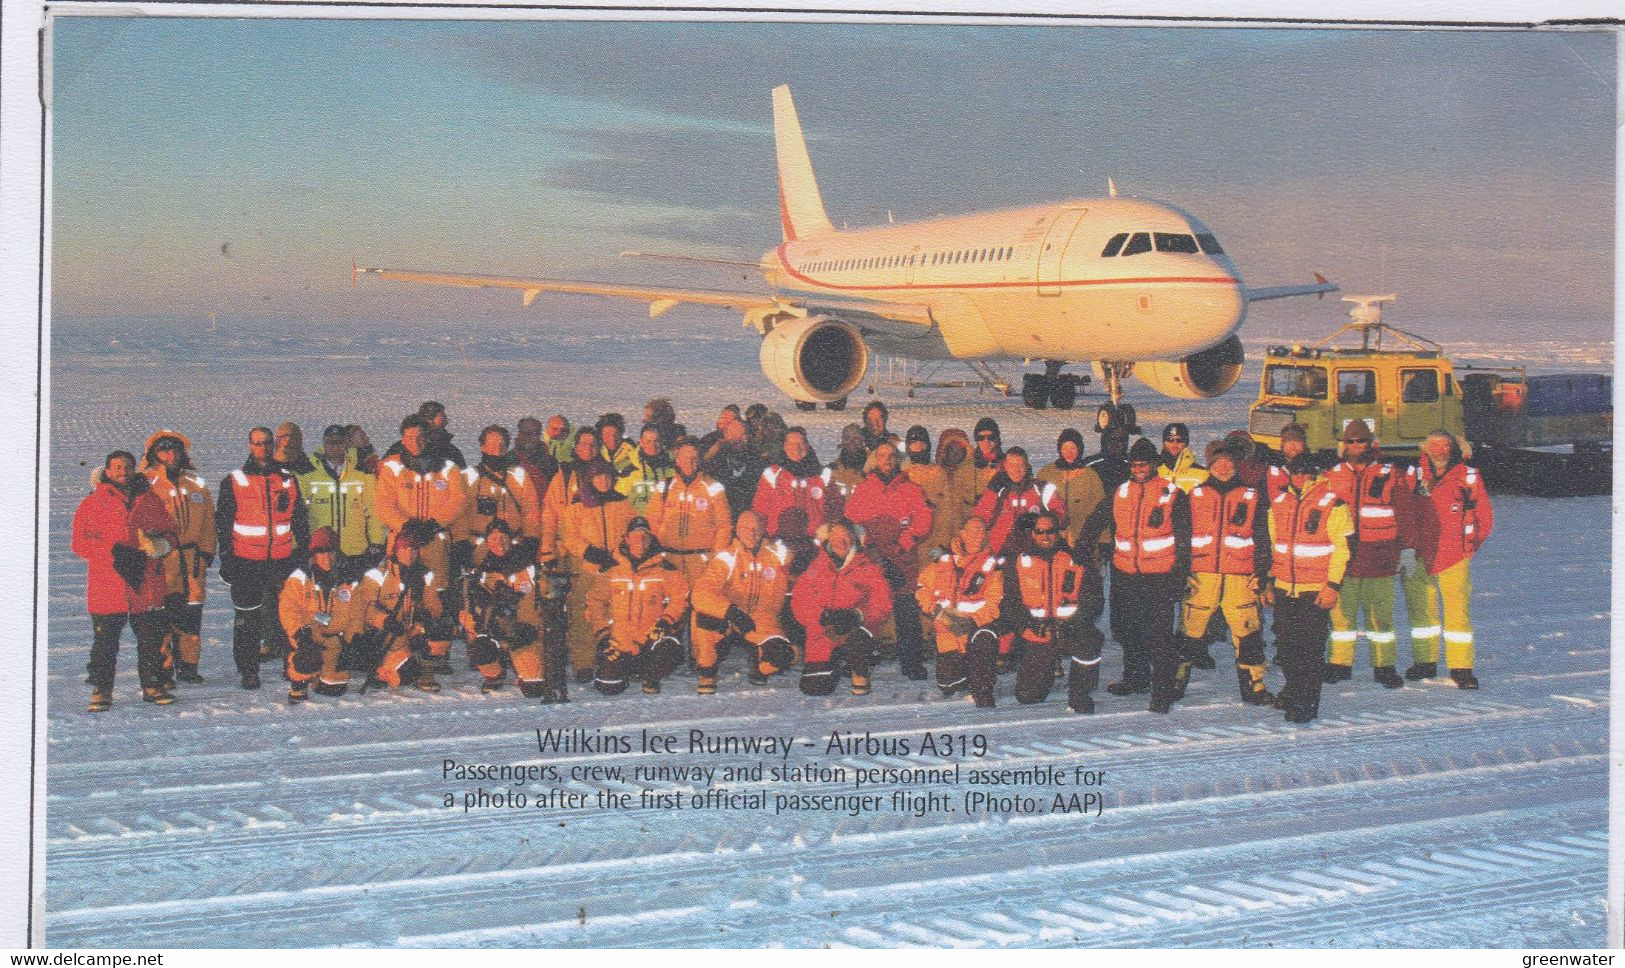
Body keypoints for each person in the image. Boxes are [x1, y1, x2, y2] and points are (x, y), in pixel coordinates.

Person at [1081, 438, 1190, 712]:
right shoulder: (1121, 492)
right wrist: (1082, 544)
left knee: (1159, 636)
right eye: (1135, 464)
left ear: (1154, 465)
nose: (1139, 468)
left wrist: (1179, 577)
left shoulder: (1172, 493)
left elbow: (1184, 539)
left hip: (1159, 577)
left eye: (1145, 464)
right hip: (1125, 574)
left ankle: (1162, 690)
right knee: (1128, 631)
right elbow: (1098, 518)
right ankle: (1135, 678)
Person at [74, 451, 181, 710]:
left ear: (134, 469)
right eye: (117, 467)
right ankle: (102, 690)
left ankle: (152, 685)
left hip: (145, 582)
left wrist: (161, 545)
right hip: (109, 583)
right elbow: (79, 543)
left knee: (150, 639)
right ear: (107, 472)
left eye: (127, 466)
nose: (122, 471)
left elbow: (171, 532)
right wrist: (113, 552)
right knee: (105, 642)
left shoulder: (151, 500)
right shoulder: (92, 502)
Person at [1176, 438, 1274, 706]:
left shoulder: (1251, 496)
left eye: (1228, 463)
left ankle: (1254, 685)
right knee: (1189, 629)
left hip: (1240, 577)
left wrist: (1263, 572)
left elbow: (1263, 538)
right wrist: (1181, 572)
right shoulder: (1194, 495)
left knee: (1248, 631)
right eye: (1218, 463)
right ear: (1210, 466)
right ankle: (1176, 680)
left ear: (1236, 466)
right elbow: (1183, 538)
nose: (1222, 467)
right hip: (1202, 576)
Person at [1322, 419, 1415, 689]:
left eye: (1360, 440)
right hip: (1345, 557)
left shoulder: (1390, 474)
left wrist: (1408, 548)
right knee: (1342, 616)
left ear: (1371, 443)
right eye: (1350, 441)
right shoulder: (1332, 474)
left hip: (1381, 556)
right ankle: (1339, 664)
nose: (1355, 445)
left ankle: (1384, 666)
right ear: (1344, 445)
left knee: (1381, 617)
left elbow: (1405, 512)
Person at [374, 414, 468, 675]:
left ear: (428, 438)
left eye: (419, 437)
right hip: (404, 540)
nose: (414, 442)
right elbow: (384, 503)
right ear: (402, 438)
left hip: (435, 539)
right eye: (409, 437)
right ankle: (401, 649)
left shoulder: (447, 467)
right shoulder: (392, 466)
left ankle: (436, 653)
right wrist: (406, 525)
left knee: (436, 595)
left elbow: (458, 500)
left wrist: (435, 523)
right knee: (402, 593)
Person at [216, 426, 309, 690]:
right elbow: (223, 522)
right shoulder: (235, 480)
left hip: (281, 560)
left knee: (287, 616)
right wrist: (227, 558)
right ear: (250, 446)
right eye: (257, 443)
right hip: (247, 561)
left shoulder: (288, 479)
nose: (262, 448)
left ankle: (291, 666)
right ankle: (248, 670)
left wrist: (301, 555)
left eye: (267, 443)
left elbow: (299, 520)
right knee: (248, 619)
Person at [1266, 454, 1354, 722]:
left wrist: (1332, 586)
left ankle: (1305, 705)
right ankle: (1293, 691)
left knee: (1309, 651)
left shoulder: (1333, 503)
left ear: (1314, 474)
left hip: (1315, 590)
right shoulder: (1279, 503)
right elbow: (1273, 547)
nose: (1300, 478)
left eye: (1306, 473)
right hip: (1284, 588)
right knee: (1286, 648)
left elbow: (1343, 551)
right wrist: (1270, 582)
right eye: (1295, 472)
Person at [1402, 430, 1493, 689]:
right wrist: (1404, 548)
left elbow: (1483, 515)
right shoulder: (1414, 474)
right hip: (1419, 554)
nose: (1440, 450)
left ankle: (1461, 668)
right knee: (1421, 611)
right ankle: (1424, 662)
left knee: (1457, 614)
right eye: (1434, 446)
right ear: (1425, 449)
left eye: (1444, 446)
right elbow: (1403, 510)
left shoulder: (1468, 475)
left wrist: (1469, 547)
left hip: (1453, 555)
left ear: (1453, 448)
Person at [843, 441, 934, 679]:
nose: (887, 460)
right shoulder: (864, 488)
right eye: (882, 455)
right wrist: (868, 544)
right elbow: (852, 518)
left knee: (906, 609)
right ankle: (862, 655)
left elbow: (923, 520)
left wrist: (906, 539)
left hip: (903, 557)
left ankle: (911, 661)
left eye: (892, 456)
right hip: (873, 558)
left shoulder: (912, 489)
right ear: (875, 459)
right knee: (869, 606)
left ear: (898, 460)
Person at [1003, 511, 1104, 711]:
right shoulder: (1020, 562)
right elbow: (1011, 603)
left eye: (1050, 531)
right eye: (1039, 531)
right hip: (1038, 632)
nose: (1045, 536)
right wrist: (1027, 628)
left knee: (1091, 640)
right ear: (1032, 533)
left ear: (1059, 532)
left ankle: (1080, 695)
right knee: (1027, 696)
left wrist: (1073, 622)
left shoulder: (1077, 559)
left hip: (1070, 629)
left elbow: (1094, 600)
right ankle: (1047, 669)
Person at [140, 430, 216, 686]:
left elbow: (209, 522)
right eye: (163, 449)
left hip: (193, 561)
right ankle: (164, 669)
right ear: (153, 454)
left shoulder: (196, 485)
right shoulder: (144, 484)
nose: (170, 454)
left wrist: (207, 552)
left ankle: (189, 666)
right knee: (162, 617)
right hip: (162, 560)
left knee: (191, 615)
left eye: (175, 449)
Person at [691, 510, 796, 692]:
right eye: (745, 528)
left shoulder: (778, 555)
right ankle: (707, 671)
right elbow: (700, 593)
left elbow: (807, 571)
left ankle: (759, 663)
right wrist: (730, 611)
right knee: (703, 618)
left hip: (762, 619)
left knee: (782, 656)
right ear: (737, 531)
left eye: (756, 528)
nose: (751, 533)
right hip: (731, 617)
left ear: (764, 530)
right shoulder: (727, 557)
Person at [461, 520, 563, 700]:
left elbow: (546, 602)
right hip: (497, 629)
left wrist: (531, 624)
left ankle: (530, 664)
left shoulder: (528, 566)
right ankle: (495, 674)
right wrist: (474, 625)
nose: (498, 543)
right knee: (479, 647)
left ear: (511, 539)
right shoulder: (482, 571)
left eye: (503, 537)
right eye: (492, 538)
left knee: (534, 689)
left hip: (524, 632)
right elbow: (468, 608)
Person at [586, 517, 689, 695]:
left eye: (645, 536)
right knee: (607, 686)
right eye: (635, 536)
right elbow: (595, 602)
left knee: (669, 650)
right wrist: (603, 636)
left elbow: (681, 596)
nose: (640, 541)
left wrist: (666, 621)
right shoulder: (611, 568)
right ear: (626, 538)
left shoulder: (663, 568)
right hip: (620, 642)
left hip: (651, 638)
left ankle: (650, 676)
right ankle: (627, 671)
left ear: (651, 539)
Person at [790, 520, 891, 696]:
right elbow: (799, 600)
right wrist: (820, 617)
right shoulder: (815, 566)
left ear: (854, 539)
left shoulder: (869, 566)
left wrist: (857, 615)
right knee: (814, 688)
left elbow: (883, 603)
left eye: (846, 536)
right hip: (823, 632)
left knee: (857, 642)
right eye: (836, 537)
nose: (842, 542)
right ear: (828, 539)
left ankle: (859, 668)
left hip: (856, 628)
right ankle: (837, 662)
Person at [563, 458, 638, 680]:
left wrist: (618, 554)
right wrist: (589, 552)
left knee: (616, 613)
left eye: (607, 476)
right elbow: (569, 535)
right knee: (582, 614)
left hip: (615, 567)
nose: (604, 481)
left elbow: (632, 531)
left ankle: (614, 656)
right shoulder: (577, 505)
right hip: (587, 566)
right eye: (598, 477)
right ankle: (584, 662)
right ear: (590, 480)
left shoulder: (623, 503)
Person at [916, 517, 1004, 703]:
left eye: (981, 530)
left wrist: (974, 621)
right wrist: (933, 608)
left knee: (983, 646)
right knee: (949, 686)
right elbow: (922, 588)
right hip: (946, 633)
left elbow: (994, 602)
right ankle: (965, 671)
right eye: (972, 530)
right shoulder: (943, 559)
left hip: (974, 630)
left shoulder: (993, 565)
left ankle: (979, 677)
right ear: (961, 534)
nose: (976, 535)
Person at [349, 529, 443, 692]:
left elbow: (434, 606)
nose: (410, 553)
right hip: (385, 635)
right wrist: (384, 621)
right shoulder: (378, 574)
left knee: (440, 634)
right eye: (405, 548)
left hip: (410, 630)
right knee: (405, 674)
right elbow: (363, 607)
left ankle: (425, 674)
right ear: (396, 550)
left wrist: (425, 619)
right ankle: (382, 670)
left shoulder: (425, 575)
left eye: (414, 549)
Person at [279, 526, 362, 703]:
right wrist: (298, 632)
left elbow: (357, 612)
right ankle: (298, 681)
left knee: (334, 689)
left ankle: (320, 676)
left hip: (334, 638)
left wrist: (351, 639)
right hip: (307, 636)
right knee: (306, 658)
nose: (327, 558)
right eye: (321, 552)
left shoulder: (348, 578)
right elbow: (288, 608)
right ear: (314, 554)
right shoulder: (300, 577)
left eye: (330, 552)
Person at [299, 424, 387, 571]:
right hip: (322, 553)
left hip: (355, 552)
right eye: (330, 442)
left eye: (339, 442)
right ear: (323, 444)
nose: (334, 446)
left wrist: (376, 544)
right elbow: (300, 515)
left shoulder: (361, 471)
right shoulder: (309, 473)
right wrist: (305, 547)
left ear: (346, 443)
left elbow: (374, 511)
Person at [457, 425, 543, 557]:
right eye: (491, 444)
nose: (497, 448)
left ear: (507, 447)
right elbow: (459, 514)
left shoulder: (519, 476)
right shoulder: (468, 477)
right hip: (478, 547)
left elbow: (531, 511)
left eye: (501, 444)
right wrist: (461, 541)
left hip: (513, 547)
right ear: (482, 446)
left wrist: (531, 538)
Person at [973, 447, 1063, 557]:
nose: (1016, 470)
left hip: (1035, 554)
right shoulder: (997, 490)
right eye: (1012, 465)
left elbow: (1062, 518)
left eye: (1020, 465)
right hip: (1001, 553)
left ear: (1027, 466)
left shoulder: (1042, 489)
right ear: (1005, 466)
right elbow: (980, 519)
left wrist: (1039, 521)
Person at [753, 427, 833, 540]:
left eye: (800, 443)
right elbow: (760, 510)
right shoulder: (772, 474)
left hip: (815, 540)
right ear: (785, 446)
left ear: (807, 446)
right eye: (791, 444)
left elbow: (834, 510)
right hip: (779, 539)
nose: (796, 448)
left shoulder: (823, 475)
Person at [540, 429, 603, 564]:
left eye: (593, 444)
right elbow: (549, 515)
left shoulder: (607, 476)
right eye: (583, 444)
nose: (588, 448)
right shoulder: (564, 476)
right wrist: (547, 550)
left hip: (597, 552)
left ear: (599, 448)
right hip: (565, 552)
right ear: (576, 447)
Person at [919, 428, 980, 565]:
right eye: (951, 449)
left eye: (960, 449)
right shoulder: (930, 474)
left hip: (963, 545)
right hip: (933, 544)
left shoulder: (972, 476)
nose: (955, 453)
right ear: (943, 451)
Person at [702, 418, 766, 517]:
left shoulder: (757, 462)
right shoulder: (714, 463)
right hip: (719, 518)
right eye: (733, 434)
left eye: (742, 434)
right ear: (725, 435)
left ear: (748, 437)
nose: (738, 439)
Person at [626, 424, 675, 515]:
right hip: (638, 523)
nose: (653, 445)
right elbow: (620, 500)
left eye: (656, 441)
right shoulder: (629, 466)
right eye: (648, 441)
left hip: (665, 522)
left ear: (662, 442)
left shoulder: (673, 466)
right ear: (641, 442)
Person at [514, 416, 560, 508]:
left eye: (536, 433)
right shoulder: (507, 461)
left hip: (546, 515)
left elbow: (557, 494)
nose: (531, 437)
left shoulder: (551, 463)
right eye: (527, 433)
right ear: (519, 434)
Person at [597, 413, 645, 501]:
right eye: (607, 434)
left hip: (624, 498)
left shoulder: (632, 451)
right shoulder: (596, 451)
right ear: (601, 435)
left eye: (615, 434)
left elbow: (639, 475)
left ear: (621, 433)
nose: (612, 438)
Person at [826, 423, 869, 513]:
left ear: (862, 441)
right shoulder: (831, 470)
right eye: (848, 438)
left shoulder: (873, 467)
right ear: (842, 442)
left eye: (856, 438)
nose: (852, 442)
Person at [1157, 422, 1208, 493]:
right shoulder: (1154, 470)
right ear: (1163, 442)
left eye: (1179, 440)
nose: (1174, 444)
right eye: (1170, 439)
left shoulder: (1203, 473)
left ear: (1186, 443)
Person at [1266, 424, 1310, 500]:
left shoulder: (1313, 468)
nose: (1293, 446)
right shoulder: (1270, 465)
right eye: (1288, 442)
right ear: (1282, 445)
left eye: (1297, 442)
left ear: (1304, 445)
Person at [971, 417, 1004, 491]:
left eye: (991, 437)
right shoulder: (968, 465)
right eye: (981, 437)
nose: (986, 441)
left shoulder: (1009, 463)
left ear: (997, 439)